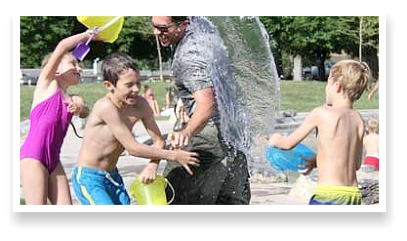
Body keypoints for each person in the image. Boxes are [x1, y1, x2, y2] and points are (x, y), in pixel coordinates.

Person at [71, 52, 200, 205]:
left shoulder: (141, 105)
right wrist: (173, 155)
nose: (136, 89)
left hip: (113, 176)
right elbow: (133, 148)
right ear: (109, 86)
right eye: (129, 85)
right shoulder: (105, 107)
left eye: (138, 83)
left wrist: (153, 165)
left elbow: (158, 140)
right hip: (89, 178)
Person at [152, 16, 251, 204]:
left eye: (163, 28)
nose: (156, 32)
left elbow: (207, 104)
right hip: (235, 129)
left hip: (207, 132)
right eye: (154, 26)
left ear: (183, 25)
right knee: (230, 200)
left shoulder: (188, 56)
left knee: (175, 194)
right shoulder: (207, 34)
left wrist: (187, 132)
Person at [269, 59, 372, 205]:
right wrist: (317, 160)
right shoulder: (358, 119)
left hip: (328, 195)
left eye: (327, 84)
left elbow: (287, 144)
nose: (326, 89)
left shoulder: (321, 113)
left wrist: (275, 138)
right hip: (353, 195)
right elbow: (355, 164)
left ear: (337, 86)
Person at [20, 31, 94, 205]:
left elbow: (85, 111)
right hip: (33, 156)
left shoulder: (72, 98)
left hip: (54, 160)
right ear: (57, 69)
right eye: (73, 63)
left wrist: (80, 108)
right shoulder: (47, 85)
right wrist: (87, 35)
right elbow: (62, 46)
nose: (79, 68)